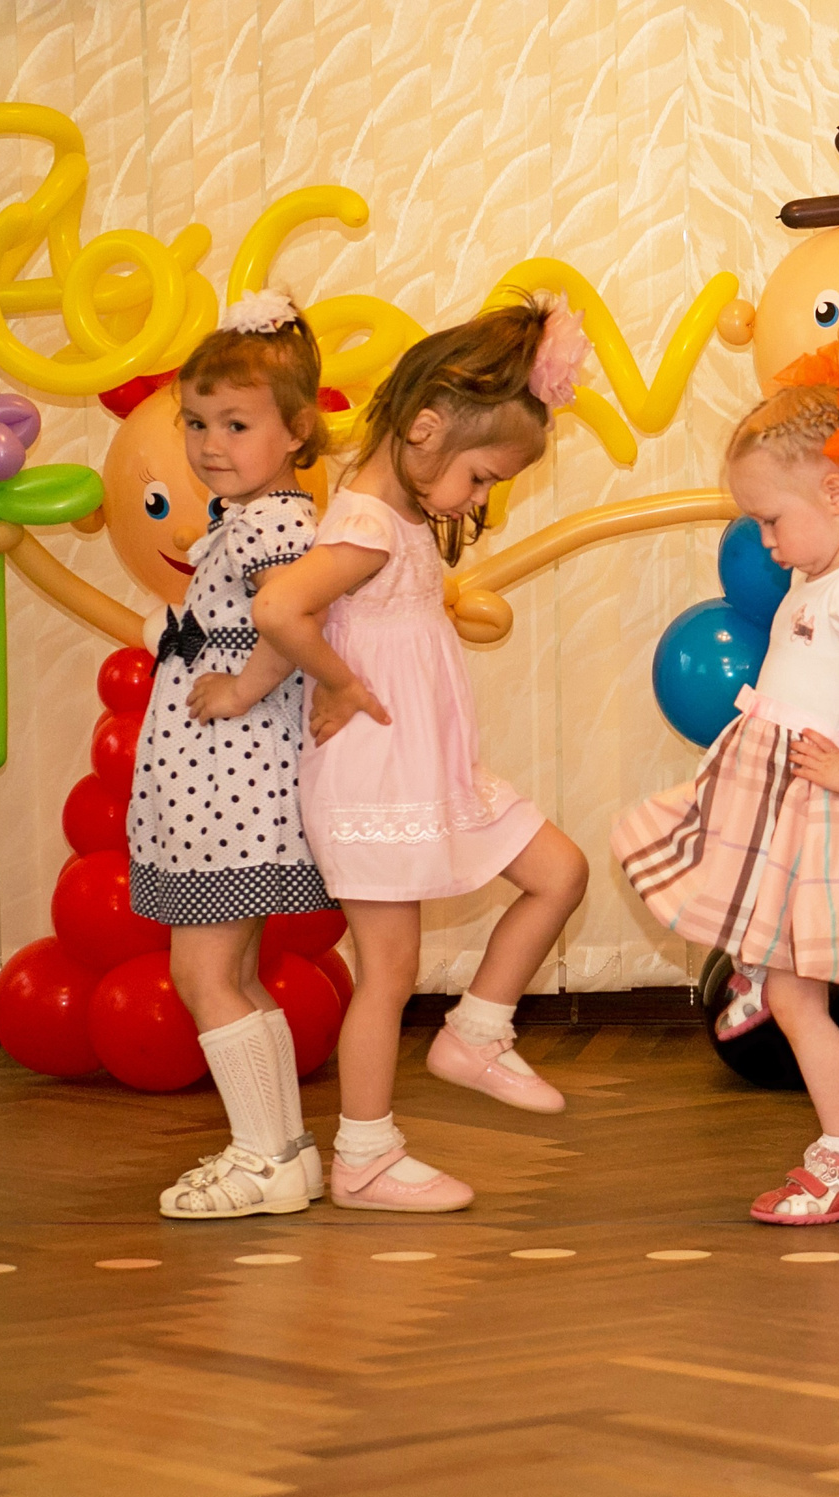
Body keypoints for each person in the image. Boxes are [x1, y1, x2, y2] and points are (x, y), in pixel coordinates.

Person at [252, 300, 592, 1212]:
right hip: (373, 777)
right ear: (426, 429)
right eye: (481, 480)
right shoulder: (364, 526)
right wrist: (337, 682)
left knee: (560, 870)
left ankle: (476, 1032)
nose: (478, 501)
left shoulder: (391, 522)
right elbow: (281, 609)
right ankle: (363, 1154)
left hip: (427, 771)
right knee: (389, 969)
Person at [610, 352, 839, 1226]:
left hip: (819, 807)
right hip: (780, 799)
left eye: (770, 520)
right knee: (778, 973)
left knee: (797, 996)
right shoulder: (815, 577)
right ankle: (837, 1135)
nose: (765, 542)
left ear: (833, 494)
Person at [139, 291, 337, 1219]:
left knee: (203, 974)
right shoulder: (250, 517)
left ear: (297, 431)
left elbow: (290, 616)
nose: (210, 443)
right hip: (224, 784)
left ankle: (263, 1156)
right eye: (196, 422)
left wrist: (244, 685)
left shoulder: (271, 527)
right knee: (235, 974)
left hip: (231, 784)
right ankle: (282, 1154)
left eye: (236, 423)